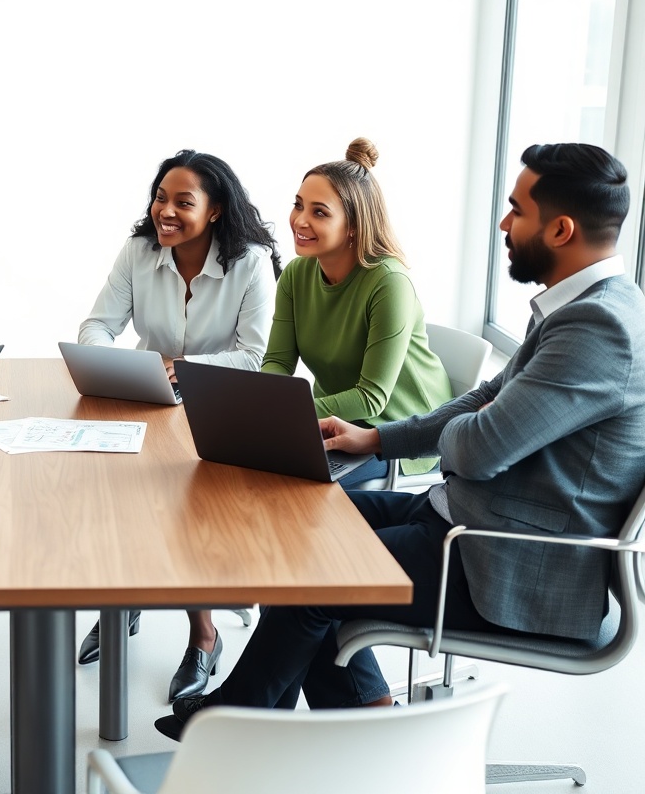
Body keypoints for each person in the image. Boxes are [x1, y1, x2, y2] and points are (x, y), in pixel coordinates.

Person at [157, 142, 645, 740]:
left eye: (517, 210)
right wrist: (377, 440)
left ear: (561, 229)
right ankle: (337, 729)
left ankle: (240, 729)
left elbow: (477, 449)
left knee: (316, 582)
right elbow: (479, 401)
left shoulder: (600, 327)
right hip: (460, 514)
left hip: (509, 558)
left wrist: (485, 420)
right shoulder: (573, 306)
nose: (503, 223)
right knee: (296, 532)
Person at [76, 149, 280, 701]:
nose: (165, 211)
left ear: (215, 211)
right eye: (161, 197)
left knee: (189, 506)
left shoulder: (251, 262)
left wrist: (184, 369)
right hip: (150, 398)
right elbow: (98, 325)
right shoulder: (139, 252)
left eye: (183, 202)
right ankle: (124, 602)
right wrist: (124, 366)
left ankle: (203, 635)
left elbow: (256, 357)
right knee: (115, 488)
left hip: (222, 406)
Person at [261, 138, 452, 487]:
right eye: (298, 205)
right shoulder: (296, 274)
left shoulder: (389, 283)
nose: (299, 221)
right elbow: (277, 360)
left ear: (354, 225)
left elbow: (372, 397)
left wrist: (285, 414)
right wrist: (264, 400)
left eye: (319, 212)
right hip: (331, 421)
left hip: (397, 433)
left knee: (284, 484)